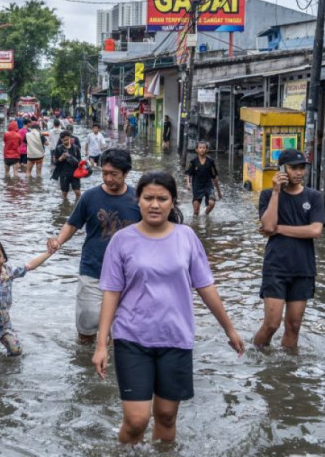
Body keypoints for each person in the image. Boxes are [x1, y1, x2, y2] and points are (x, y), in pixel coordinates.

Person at [92, 171, 244, 445]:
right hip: (131, 338)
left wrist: (229, 329)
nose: (154, 204)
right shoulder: (122, 240)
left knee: (166, 417)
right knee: (137, 421)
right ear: (137, 200)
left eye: (162, 198)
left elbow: (205, 286)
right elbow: (111, 293)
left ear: (173, 201)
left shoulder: (186, 237)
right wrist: (101, 344)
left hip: (176, 338)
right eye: (148, 198)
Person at [47, 149, 139, 344]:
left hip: (127, 275)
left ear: (126, 173)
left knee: (121, 332)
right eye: (105, 173)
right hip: (92, 270)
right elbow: (73, 224)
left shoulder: (138, 199)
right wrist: (58, 241)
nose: (108, 178)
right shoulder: (89, 197)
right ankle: (85, 367)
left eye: (114, 174)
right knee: (86, 329)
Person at [254, 149, 325, 350]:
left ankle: (288, 372)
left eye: (302, 167)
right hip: (276, 267)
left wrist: (279, 229)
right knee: (272, 324)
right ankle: (257, 357)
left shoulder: (314, 197)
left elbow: (315, 230)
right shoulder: (268, 195)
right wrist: (276, 191)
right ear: (282, 170)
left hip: (303, 269)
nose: (299, 172)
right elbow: (268, 226)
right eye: (294, 168)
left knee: (293, 326)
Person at [185, 141, 223, 216]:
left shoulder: (210, 162)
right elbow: (188, 174)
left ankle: (205, 214)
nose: (202, 149)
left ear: (207, 150)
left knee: (211, 203)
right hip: (197, 186)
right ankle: (197, 222)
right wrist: (188, 184)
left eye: (204, 148)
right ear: (197, 150)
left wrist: (219, 192)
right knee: (196, 211)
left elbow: (214, 177)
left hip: (208, 186)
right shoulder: (193, 162)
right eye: (200, 148)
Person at [51, 130, 83, 201]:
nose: (66, 141)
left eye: (67, 139)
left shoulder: (75, 148)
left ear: (70, 138)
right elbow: (55, 163)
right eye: (64, 140)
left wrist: (71, 157)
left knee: (77, 192)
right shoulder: (58, 149)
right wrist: (61, 158)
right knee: (64, 193)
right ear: (61, 140)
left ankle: (78, 204)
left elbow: (79, 161)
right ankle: (65, 206)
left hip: (75, 173)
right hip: (64, 174)